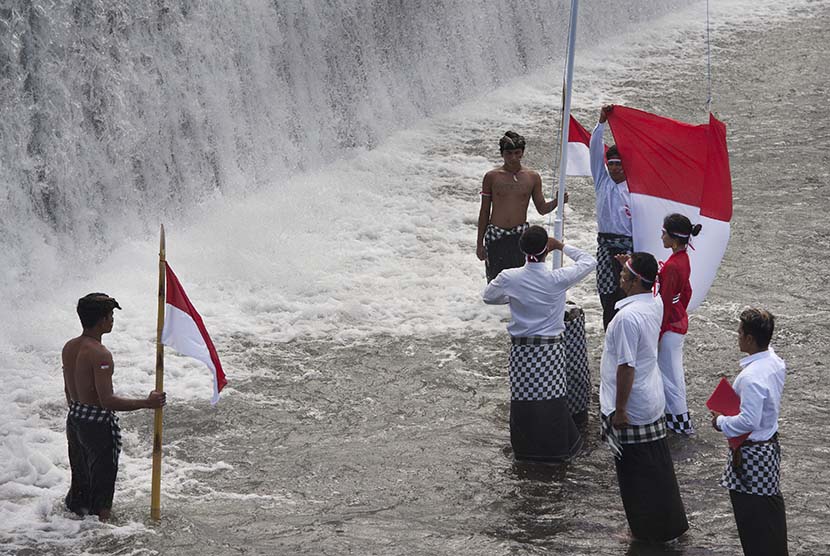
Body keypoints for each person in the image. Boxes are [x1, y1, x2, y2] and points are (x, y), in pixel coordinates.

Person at [482, 225, 596, 462]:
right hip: (551, 350)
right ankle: (555, 450)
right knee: (551, 399)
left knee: (524, 399)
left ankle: (525, 449)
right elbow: (588, 261)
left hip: (522, 350)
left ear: (522, 249)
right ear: (547, 250)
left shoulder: (509, 278)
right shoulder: (557, 278)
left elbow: (488, 296)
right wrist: (562, 246)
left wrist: (513, 295)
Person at [599, 252, 688, 542]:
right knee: (658, 469)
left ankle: (644, 532)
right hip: (652, 398)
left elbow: (626, 366)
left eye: (625, 274)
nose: (620, 277)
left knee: (634, 474)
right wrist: (631, 263)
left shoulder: (626, 318)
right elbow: (657, 280)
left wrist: (620, 410)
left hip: (632, 404)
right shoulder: (655, 302)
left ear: (637, 281)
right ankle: (670, 524)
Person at [62, 293, 166, 521]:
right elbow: (107, 401)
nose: (112, 320)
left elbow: (68, 392)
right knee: (102, 485)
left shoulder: (69, 347)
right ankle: (102, 534)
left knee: (81, 481)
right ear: (101, 321)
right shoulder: (100, 354)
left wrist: (80, 414)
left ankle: (72, 531)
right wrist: (147, 403)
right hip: (96, 426)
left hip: (75, 419)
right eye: (110, 315)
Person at [710, 308, 788, 556]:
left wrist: (720, 422)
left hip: (752, 455)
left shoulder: (750, 377)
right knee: (769, 514)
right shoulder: (774, 362)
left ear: (750, 339)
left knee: (752, 519)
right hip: (768, 449)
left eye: (740, 332)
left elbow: (748, 421)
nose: (738, 335)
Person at [476, 131, 565, 282]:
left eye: (517, 153)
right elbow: (484, 211)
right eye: (508, 153)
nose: (513, 158)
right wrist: (479, 244)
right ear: (502, 154)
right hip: (495, 235)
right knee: (496, 282)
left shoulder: (532, 177)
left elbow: (542, 208)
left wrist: (558, 201)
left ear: (522, 153)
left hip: (520, 236)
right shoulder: (491, 177)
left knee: (521, 281)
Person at [658, 213, 702, 435]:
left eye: (664, 232)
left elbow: (664, 303)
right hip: (678, 322)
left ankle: (679, 424)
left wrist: (658, 331)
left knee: (669, 377)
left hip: (670, 327)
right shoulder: (683, 259)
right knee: (675, 374)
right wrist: (679, 311)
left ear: (674, 239)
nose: (661, 235)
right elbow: (687, 292)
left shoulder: (672, 266)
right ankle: (679, 421)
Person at [590, 105, 632, 330]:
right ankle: (610, 334)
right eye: (611, 164)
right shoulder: (601, 182)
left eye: (619, 164)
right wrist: (601, 123)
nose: (615, 169)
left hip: (628, 247)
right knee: (607, 296)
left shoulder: (634, 190)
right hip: (605, 246)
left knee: (626, 294)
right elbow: (594, 151)